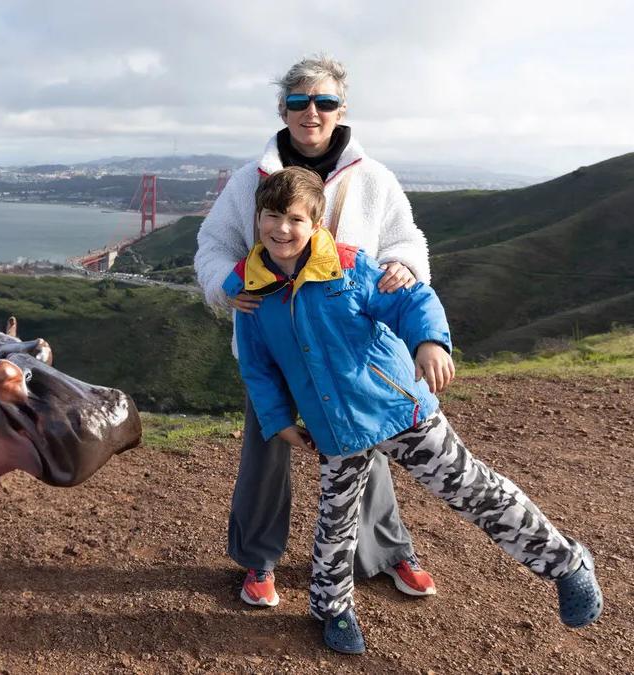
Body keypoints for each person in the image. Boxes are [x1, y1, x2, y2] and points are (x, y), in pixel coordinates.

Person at [225, 166, 603, 654]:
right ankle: (332, 608)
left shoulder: (348, 266)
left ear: (316, 223)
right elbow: (257, 367)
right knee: (336, 522)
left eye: (295, 218)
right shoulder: (251, 289)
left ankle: (566, 563)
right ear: (257, 218)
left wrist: (429, 342)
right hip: (336, 428)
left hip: (400, 410)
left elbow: (412, 300)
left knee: (473, 490)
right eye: (272, 216)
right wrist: (278, 422)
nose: (281, 228)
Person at [195, 54, 434, 607]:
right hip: (274, 343)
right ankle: (258, 560)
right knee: (266, 450)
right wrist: (222, 287)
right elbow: (213, 246)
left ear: (340, 110)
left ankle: (384, 550)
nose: (312, 112)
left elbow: (406, 240)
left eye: (324, 102)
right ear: (282, 109)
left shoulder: (374, 178)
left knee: (366, 447)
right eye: (299, 102)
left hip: (352, 348)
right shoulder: (247, 181)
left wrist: (406, 268)